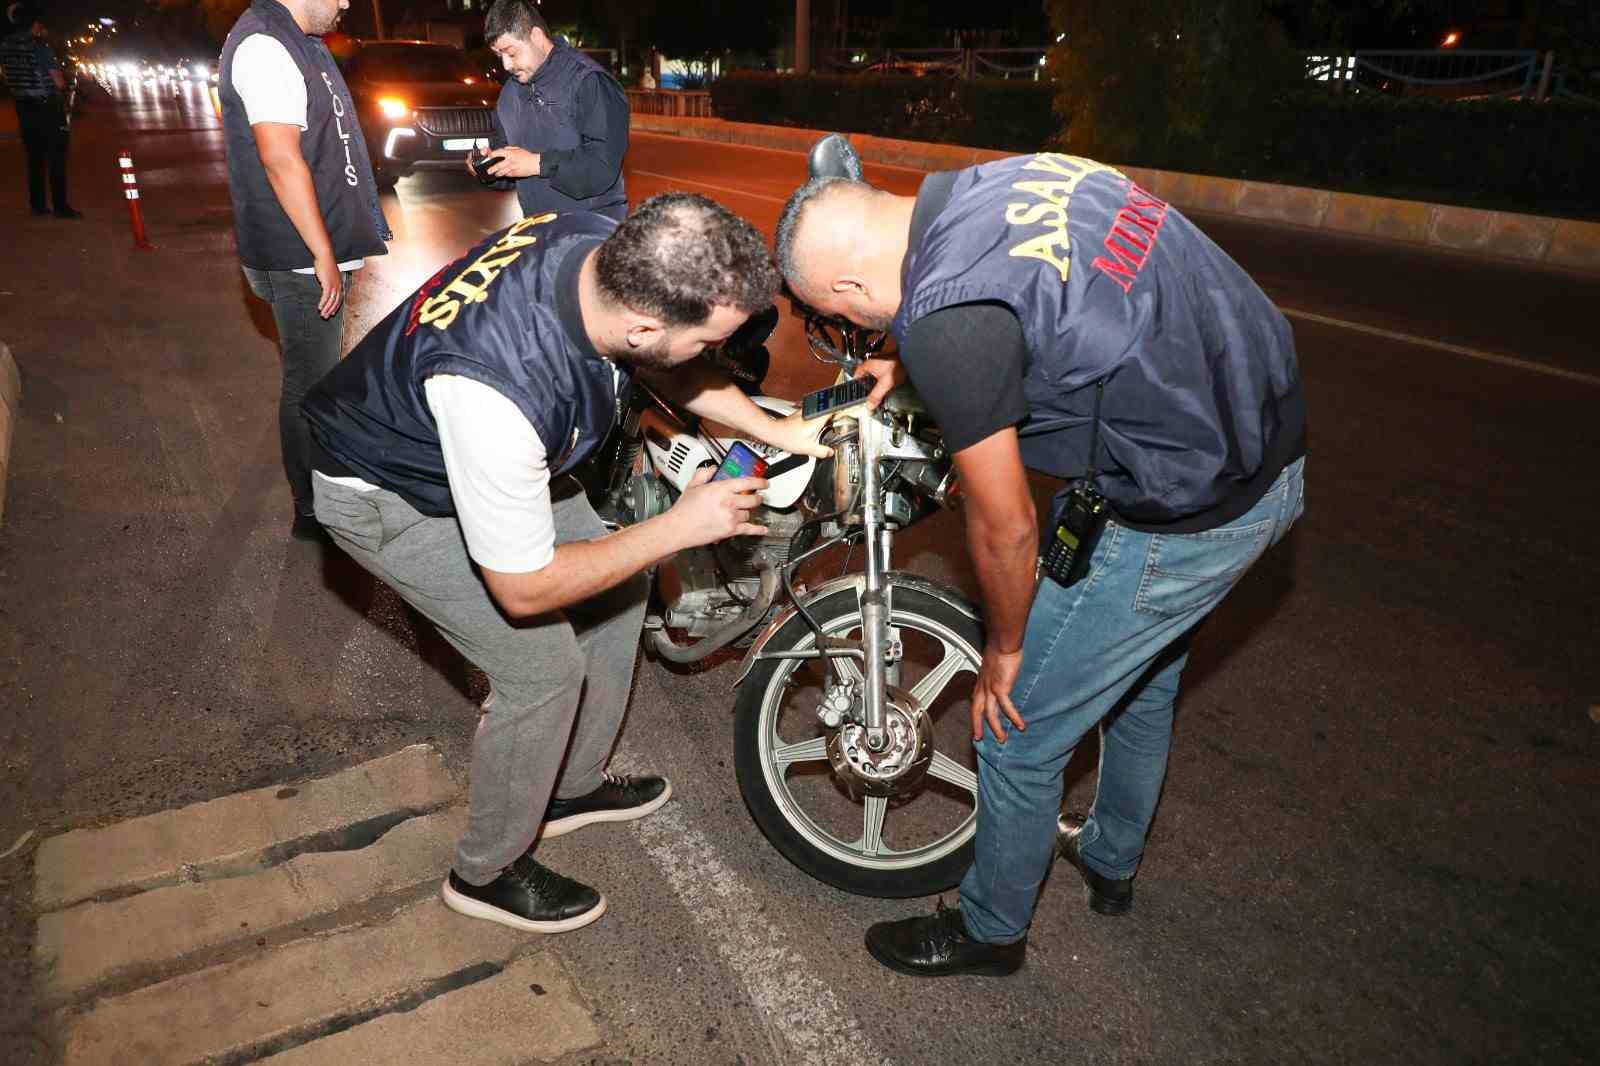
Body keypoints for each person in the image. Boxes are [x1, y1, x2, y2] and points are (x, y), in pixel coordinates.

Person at [775, 150, 1307, 976]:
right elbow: (1035, 300)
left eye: (843, 315)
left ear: (844, 286)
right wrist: (918, 364)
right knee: (1142, 677)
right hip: (1265, 446)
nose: (862, 327)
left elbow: (1008, 526)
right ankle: (1111, 856)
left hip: (1189, 509)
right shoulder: (997, 180)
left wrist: (1006, 648)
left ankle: (991, 932)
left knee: (1017, 732)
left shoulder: (949, 322)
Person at [302, 194, 831, 932]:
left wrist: (782, 428)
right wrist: (678, 527)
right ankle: (485, 872)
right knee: (542, 670)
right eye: (710, 340)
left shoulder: (601, 247)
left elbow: (667, 366)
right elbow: (524, 590)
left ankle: (570, 787)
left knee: (622, 582)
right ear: (642, 326)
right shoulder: (498, 393)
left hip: (480, 451)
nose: (715, 354)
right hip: (389, 493)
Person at [219, 0, 392, 542]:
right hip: (297, 257)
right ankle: (313, 509)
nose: (345, 3)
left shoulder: (295, 40)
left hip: (307, 249)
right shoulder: (266, 45)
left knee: (315, 374)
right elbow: (279, 157)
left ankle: (320, 491)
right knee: (309, 385)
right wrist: (322, 252)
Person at [470, 0, 628, 221]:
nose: (506, 65)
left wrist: (537, 164)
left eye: (511, 53)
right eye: (499, 56)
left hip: (593, 228)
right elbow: (513, 170)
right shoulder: (509, 95)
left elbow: (602, 166)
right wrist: (489, 167)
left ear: (536, 36)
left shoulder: (588, 81)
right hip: (539, 228)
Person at [1, 2, 79, 218]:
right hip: (47, 106)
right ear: (34, 24)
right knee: (56, 157)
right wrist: (66, 84)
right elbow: (58, 82)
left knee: (34, 157)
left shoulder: (5, 46)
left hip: (23, 107)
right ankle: (60, 206)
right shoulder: (40, 47)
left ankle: (38, 205)